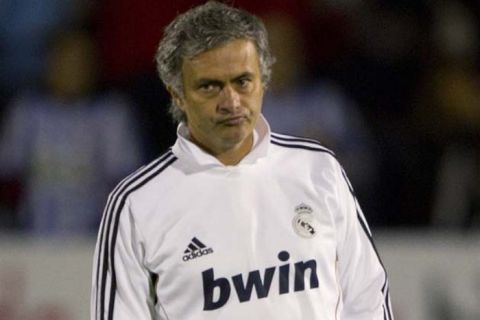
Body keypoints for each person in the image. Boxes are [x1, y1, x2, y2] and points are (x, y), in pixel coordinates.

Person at [90, 1, 394, 319]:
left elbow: (367, 299)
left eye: (243, 82)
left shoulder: (319, 170)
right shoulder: (137, 204)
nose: (231, 101)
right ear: (177, 95)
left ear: (263, 81)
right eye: (210, 86)